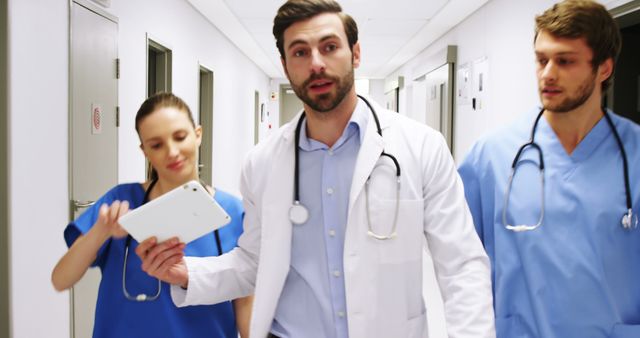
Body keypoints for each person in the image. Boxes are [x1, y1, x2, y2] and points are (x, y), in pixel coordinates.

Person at [137, 1, 495, 337]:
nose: (316, 64)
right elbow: (253, 262)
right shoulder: (262, 163)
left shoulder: (421, 147)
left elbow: (462, 265)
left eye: (329, 47)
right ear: (285, 65)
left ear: (355, 53)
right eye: (300, 52)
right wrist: (189, 274)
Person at [458, 1, 640, 337]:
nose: (548, 73)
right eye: (542, 60)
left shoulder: (635, 155)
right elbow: (462, 263)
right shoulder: (492, 156)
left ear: (604, 68)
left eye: (565, 61)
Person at [51, 92, 252, 338]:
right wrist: (100, 231)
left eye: (180, 137)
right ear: (144, 150)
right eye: (156, 145)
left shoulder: (232, 211)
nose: (172, 151)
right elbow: (61, 280)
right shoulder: (122, 203)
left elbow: (244, 301)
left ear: (198, 135)